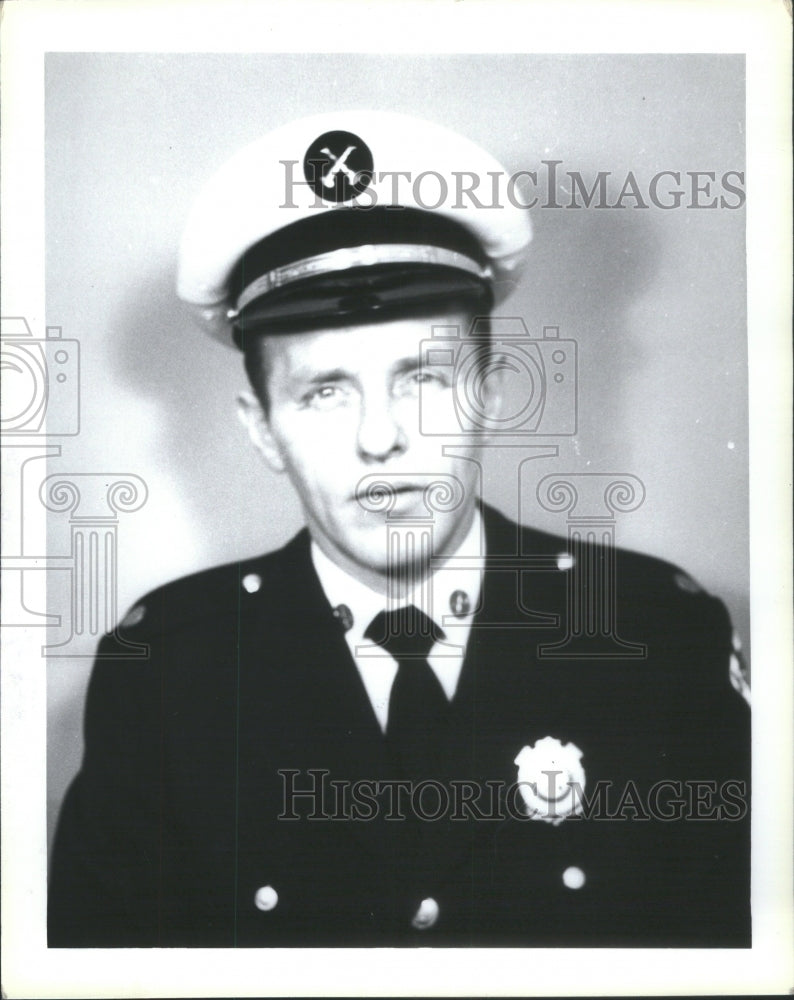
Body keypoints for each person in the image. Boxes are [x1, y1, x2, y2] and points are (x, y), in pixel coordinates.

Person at [48, 110, 751, 948]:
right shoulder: (165, 672)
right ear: (262, 429)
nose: (381, 438)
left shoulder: (657, 637)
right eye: (326, 392)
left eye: (422, 378)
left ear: (490, 391)